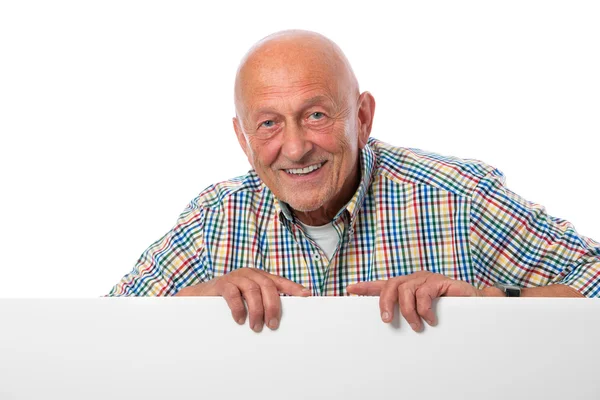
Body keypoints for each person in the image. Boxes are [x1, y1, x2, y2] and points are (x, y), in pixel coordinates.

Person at [108, 30, 600, 332]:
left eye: (316, 114)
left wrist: (488, 303)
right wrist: (184, 308)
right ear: (242, 137)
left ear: (362, 117)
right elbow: (103, 328)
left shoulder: (459, 200)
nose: (296, 147)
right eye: (269, 124)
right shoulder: (211, 223)